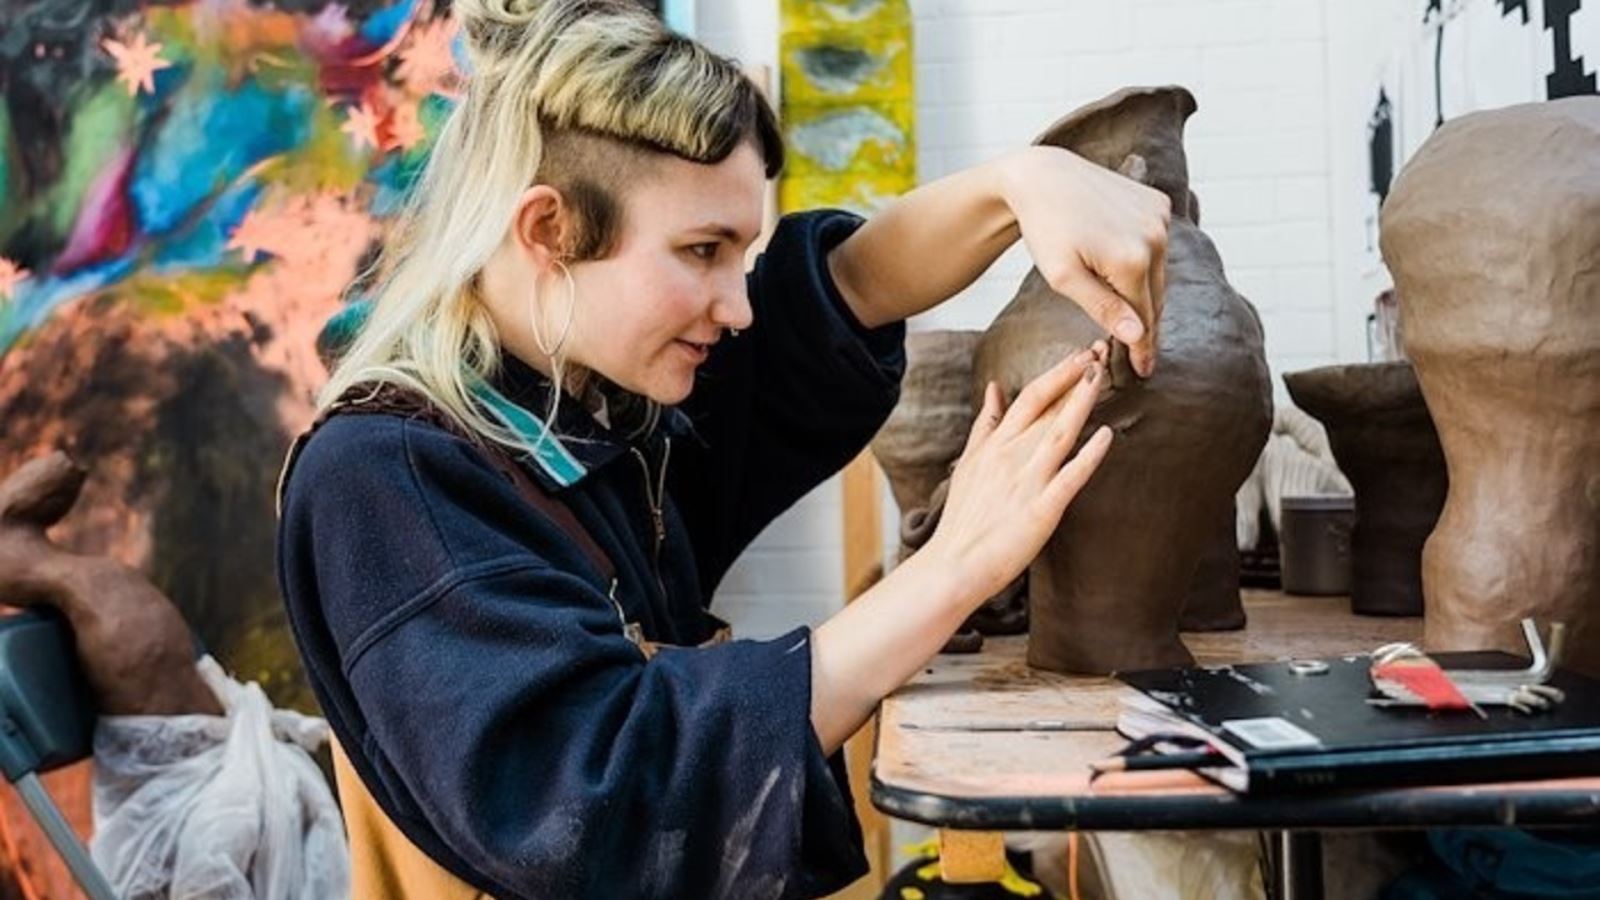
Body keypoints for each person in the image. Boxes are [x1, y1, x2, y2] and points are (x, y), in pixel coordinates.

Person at [275, 0, 1171, 897]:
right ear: (548, 230)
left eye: (738, 253)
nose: (735, 306)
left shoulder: (593, 410)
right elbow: (604, 798)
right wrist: (951, 569)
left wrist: (1017, 186)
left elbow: (842, 290)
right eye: (701, 250)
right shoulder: (388, 480)